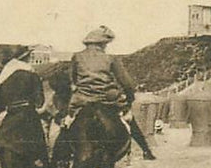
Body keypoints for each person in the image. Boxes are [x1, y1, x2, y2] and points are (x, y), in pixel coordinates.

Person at [62, 26, 155, 160]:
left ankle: (61, 157)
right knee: (129, 119)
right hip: (108, 98)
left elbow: (73, 79)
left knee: (67, 122)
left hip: (81, 99)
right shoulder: (111, 59)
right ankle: (146, 150)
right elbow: (126, 83)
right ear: (102, 43)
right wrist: (129, 98)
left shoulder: (77, 57)